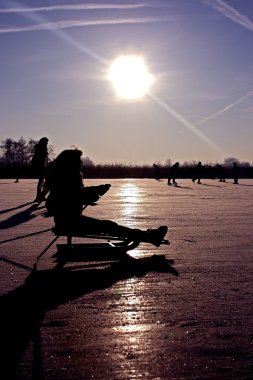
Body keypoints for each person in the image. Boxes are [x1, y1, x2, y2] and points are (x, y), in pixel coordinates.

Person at [45, 149, 168, 247]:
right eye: (79, 160)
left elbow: (75, 196)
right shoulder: (66, 180)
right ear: (70, 163)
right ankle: (149, 237)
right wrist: (94, 192)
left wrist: (96, 190)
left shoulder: (62, 179)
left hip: (69, 221)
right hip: (70, 223)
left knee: (109, 226)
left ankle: (148, 236)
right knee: (109, 226)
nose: (81, 163)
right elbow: (74, 197)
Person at [31, 137, 49, 202]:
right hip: (42, 167)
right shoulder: (43, 148)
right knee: (44, 182)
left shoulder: (38, 148)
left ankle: (40, 196)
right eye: (46, 142)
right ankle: (40, 196)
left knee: (42, 181)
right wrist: (46, 165)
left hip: (40, 167)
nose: (47, 143)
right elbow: (45, 158)